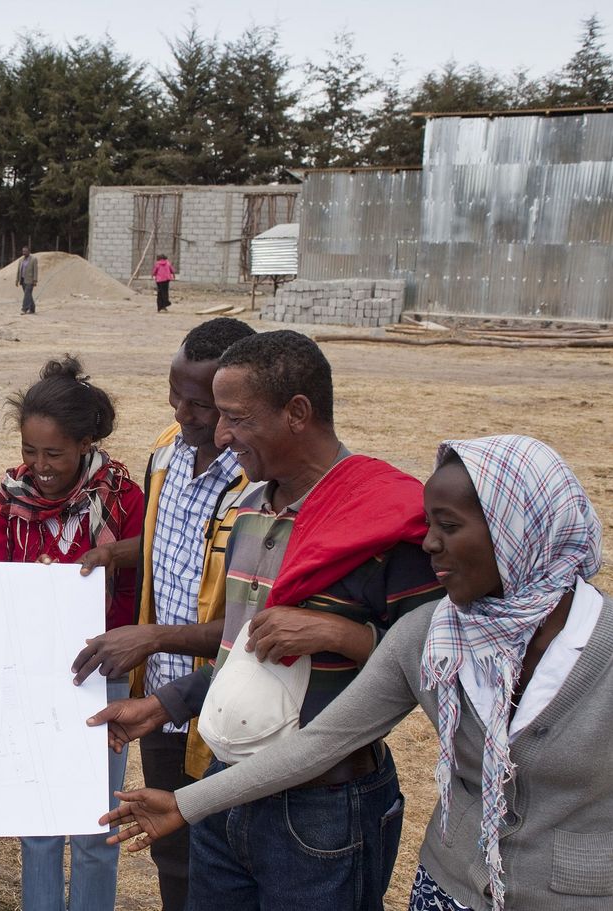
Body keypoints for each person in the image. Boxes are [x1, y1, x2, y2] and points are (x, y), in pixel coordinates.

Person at [100, 435, 610, 911]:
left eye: (448, 527)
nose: (429, 544)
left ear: (520, 529)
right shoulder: (430, 635)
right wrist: (184, 805)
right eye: (429, 526)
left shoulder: (603, 651)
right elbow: (321, 741)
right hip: (448, 889)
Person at [89, 329, 441, 911]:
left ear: (297, 413)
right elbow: (241, 656)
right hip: (224, 792)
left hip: (322, 812)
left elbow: (440, 665)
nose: (222, 436)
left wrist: (344, 635)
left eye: (237, 419)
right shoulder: (250, 509)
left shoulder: (384, 518)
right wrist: (165, 704)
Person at [68, 317, 256, 910]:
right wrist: (111, 554)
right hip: (162, 707)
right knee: (172, 852)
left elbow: (254, 627)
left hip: (228, 707)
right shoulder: (165, 456)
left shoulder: (259, 486)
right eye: (175, 397)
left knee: (226, 854)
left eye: (200, 404)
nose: (184, 415)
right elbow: (163, 541)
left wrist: (152, 637)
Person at [0, 356, 145, 911]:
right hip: (32, 676)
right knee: (40, 820)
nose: (39, 466)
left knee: (96, 821)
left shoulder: (123, 499)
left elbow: (144, 580)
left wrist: (110, 561)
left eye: (55, 454)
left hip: (105, 679)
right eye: (29, 451)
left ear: (85, 443)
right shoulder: (5, 503)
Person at [17, 246, 39, 314]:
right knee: (28, 295)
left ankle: (24, 309)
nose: (24, 253)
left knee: (27, 294)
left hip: (30, 280)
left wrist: (35, 280)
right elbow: (19, 270)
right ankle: (32, 309)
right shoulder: (21, 260)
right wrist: (17, 279)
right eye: (23, 251)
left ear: (29, 251)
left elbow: (35, 270)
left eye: (25, 251)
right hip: (23, 280)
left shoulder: (33, 259)